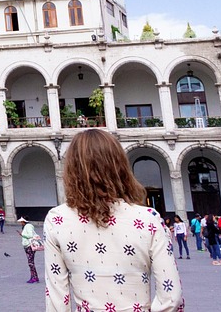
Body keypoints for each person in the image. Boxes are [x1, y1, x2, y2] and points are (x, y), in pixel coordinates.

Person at [42, 128, 182, 312]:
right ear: (119, 166)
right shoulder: (149, 219)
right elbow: (171, 297)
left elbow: (57, 301)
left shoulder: (57, 220)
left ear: (72, 170)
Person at [19, 217, 41, 283]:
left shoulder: (28, 226)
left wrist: (22, 234)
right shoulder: (27, 226)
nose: (21, 223)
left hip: (29, 246)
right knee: (31, 262)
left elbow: (30, 235)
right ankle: (35, 277)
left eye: (21, 221)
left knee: (30, 262)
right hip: (28, 246)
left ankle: (33, 277)